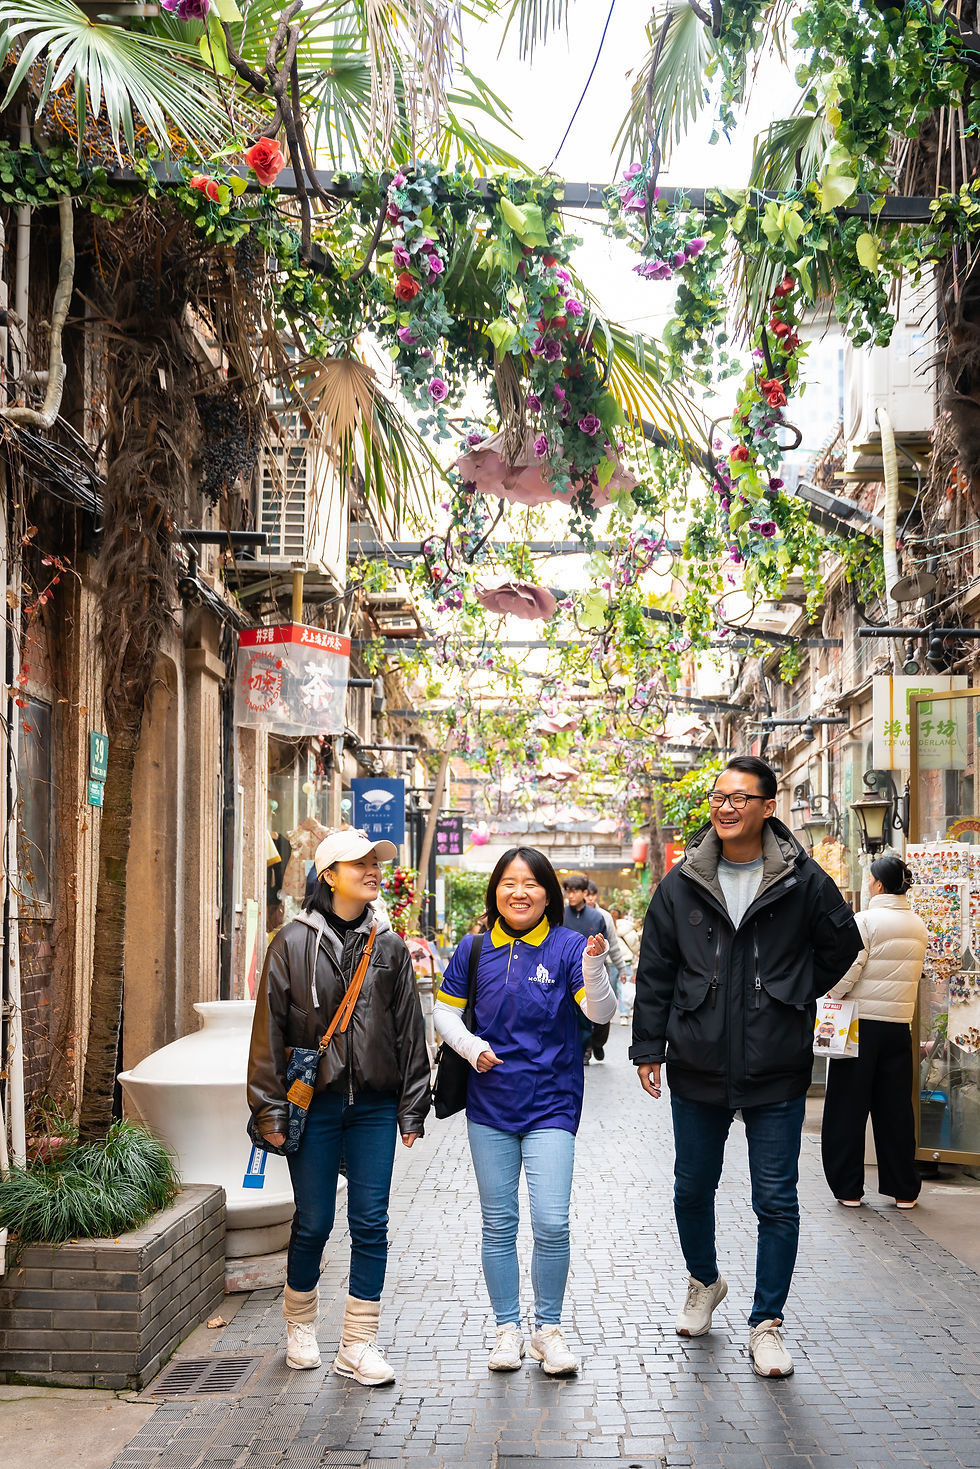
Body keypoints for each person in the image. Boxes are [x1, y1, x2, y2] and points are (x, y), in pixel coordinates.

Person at [631, 755, 861, 1378]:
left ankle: (767, 1322)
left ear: (768, 806)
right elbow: (655, 970)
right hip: (698, 1063)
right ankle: (705, 1282)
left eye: (739, 797)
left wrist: (793, 990)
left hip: (775, 1067)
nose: (725, 806)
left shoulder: (803, 880)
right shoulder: (681, 884)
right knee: (690, 1189)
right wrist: (648, 1047)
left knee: (776, 1200)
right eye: (718, 796)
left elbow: (844, 945)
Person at [247, 831, 430, 1386]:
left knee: (371, 1222)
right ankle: (300, 1321)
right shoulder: (291, 942)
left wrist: (412, 1108)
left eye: (376, 863)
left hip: (373, 1104)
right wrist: (268, 1111)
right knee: (316, 1221)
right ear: (328, 875)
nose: (373, 870)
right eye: (360, 863)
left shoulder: (390, 947)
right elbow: (267, 1034)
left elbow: (410, 1033)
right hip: (315, 1105)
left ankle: (358, 1342)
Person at [434, 847, 617, 1376]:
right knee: (499, 1223)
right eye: (510, 883)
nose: (520, 892)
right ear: (496, 891)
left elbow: (600, 1012)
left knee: (552, 1222)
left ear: (548, 894)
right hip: (489, 1103)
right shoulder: (474, 949)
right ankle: (507, 1329)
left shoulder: (567, 947)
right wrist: (471, 1048)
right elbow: (444, 1016)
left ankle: (549, 1330)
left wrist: (594, 967)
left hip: (553, 1101)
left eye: (531, 883)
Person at [820, 854, 928, 1209]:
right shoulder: (917, 925)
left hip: (859, 1025)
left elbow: (850, 968)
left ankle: (849, 1188)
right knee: (895, 1108)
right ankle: (904, 1191)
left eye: (869, 879)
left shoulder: (864, 921)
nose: (867, 884)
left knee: (847, 1108)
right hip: (899, 1025)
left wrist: (832, 992)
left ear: (879, 884)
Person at [563, 874, 610, 1061]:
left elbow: (604, 945)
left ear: (584, 892)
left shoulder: (596, 917)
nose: (570, 895)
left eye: (574, 891)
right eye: (568, 892)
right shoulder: (561, 914)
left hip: (588, 973)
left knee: (588, 1017)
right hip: (564, 972)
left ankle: (587, 1049)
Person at [610, 905, 641, 1025]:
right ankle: (624, 1016)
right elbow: (634, 943)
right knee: (624, 988)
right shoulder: (627, 926)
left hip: (611, 961)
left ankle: (611, 1015)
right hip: (626, 960)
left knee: (611, 989)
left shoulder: (607, 923)